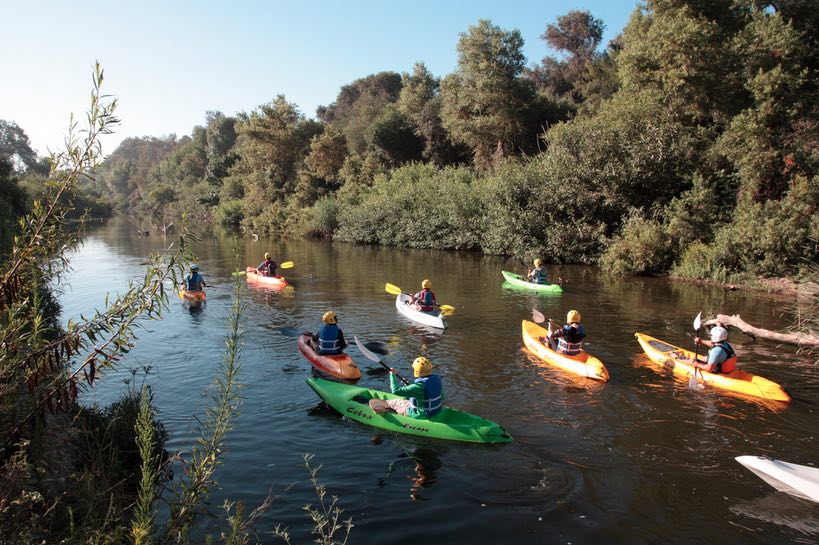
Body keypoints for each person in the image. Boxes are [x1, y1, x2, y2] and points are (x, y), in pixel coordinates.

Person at [369, 357, 444, 419]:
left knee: (390, 404)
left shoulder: (418, 386)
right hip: (435, 411)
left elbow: (395, 391)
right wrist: (407, 386)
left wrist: (392, 375)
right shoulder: (436, 379)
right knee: (399, 401)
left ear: (417, 371)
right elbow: (426, 394)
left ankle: (383, 411)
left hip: (420, 414)